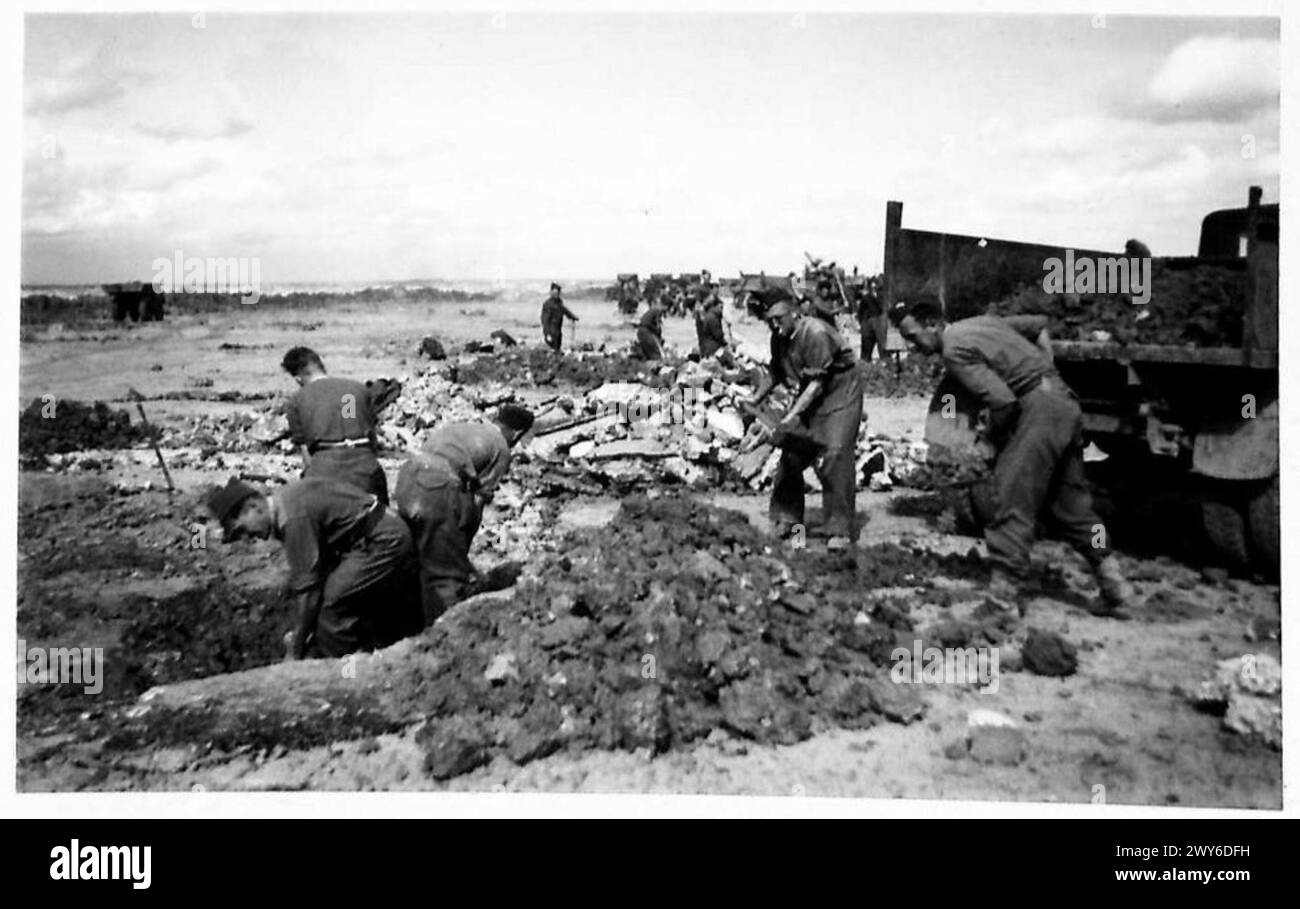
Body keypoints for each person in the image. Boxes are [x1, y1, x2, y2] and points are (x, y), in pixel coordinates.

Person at [889, 303, 1135, 616]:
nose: (914, 346)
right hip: (1064, 403)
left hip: (1039, 414)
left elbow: (1002, 401)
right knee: (1072, 505)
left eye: (914, 336)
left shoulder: (953, 350)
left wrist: (992, 440)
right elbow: (1039, 323)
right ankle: (1116, 587)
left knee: (1009, 497)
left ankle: (1003, 599)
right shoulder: (982, 321)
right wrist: (1047, 367)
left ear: (933, 324)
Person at [205, 476, 422, 659]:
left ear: (254, 506)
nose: (248, 538)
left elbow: (310, 591)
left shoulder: (292, 519)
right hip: (373, 535)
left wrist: (296, 649)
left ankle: (349, 675)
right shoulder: (285, 500)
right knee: (333, 598)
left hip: (383, 541)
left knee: (332, 605)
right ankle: (360, 653)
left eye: (243, 530)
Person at [393, 405, 535, 623]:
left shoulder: (465, 428)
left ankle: (407, 620)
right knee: (446, 575)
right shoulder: (501, 448)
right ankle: (444, 632)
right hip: (437, 487)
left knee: (417, 555)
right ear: (517, 433)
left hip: (407, 479)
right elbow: (477, 502)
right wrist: (459, 549)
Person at [747, 300, 864, 549]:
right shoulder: (779, 337)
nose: (775, 326)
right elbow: (775, 372)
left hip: (839, 394)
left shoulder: (816, 333)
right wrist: (754, 399)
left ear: (795, 314)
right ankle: (787, 519)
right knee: (792, 453)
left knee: (835, 454)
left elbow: (817, 384)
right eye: (770, 322)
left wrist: (791, 417)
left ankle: (839, 528)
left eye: (779, 320)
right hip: (810, 393)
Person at [281, 346, 388, 503]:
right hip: (365, 470)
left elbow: (307, 458)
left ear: (298, 379)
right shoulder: (353, 390)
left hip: (325, 473)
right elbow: (368, 438)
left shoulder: (297, 400)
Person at [857, 276, 889, 362]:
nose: (875, 286)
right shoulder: (866, 297)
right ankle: (865, 363)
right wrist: (862, 322)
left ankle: (885, 362)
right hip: (869, 322)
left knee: (882, 347)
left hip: (880, 322)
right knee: (866, 347)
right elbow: (860, 311)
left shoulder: (884, 296)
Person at [541, 282, 579, 351]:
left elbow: (564, 310)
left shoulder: (559, 302)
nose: (557, 295)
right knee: (553, 349)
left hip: (558, 329)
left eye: (558, 293)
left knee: (558, 347)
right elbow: (544, 320)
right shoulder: (547, 304)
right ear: (551, 292)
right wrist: (547, 334)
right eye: (555, 293)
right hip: (551, 330)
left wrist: (572, 317)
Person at [695, 284, 727, 359]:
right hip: (705, 321)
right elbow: (700, 309)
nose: (717, 291)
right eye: (715, 289)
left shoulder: (715, 299)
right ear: (711, 289)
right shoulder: (708, 298)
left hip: (708, 320)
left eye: (718, 289)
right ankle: (704, 356)